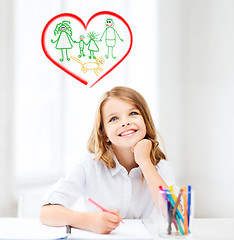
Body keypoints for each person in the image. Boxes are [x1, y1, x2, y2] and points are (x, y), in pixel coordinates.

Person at [40, 86, 177, 234]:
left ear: (146, 122)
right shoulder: (89, 165)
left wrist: (145, 162)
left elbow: (175, 218)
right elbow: (47, 213)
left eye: (133, 113)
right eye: (114, 118)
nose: (125, 122)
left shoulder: (161, 168)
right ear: (104, 134)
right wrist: (89, 221)